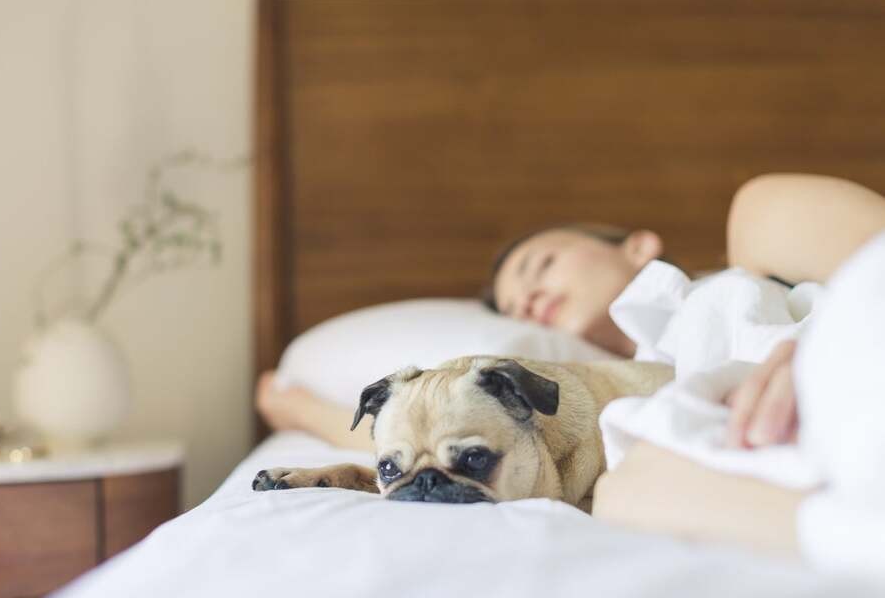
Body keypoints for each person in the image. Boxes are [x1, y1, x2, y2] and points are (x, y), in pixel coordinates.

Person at [255, 174, 885, 568]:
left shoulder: (756, 253)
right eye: (511, 307)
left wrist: (819, 343)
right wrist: (296, 409)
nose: (526, 299)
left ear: (637, 245)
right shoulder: (613, 433)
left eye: (540, 265)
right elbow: (421, 437)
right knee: (626, 495)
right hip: (812, 450)